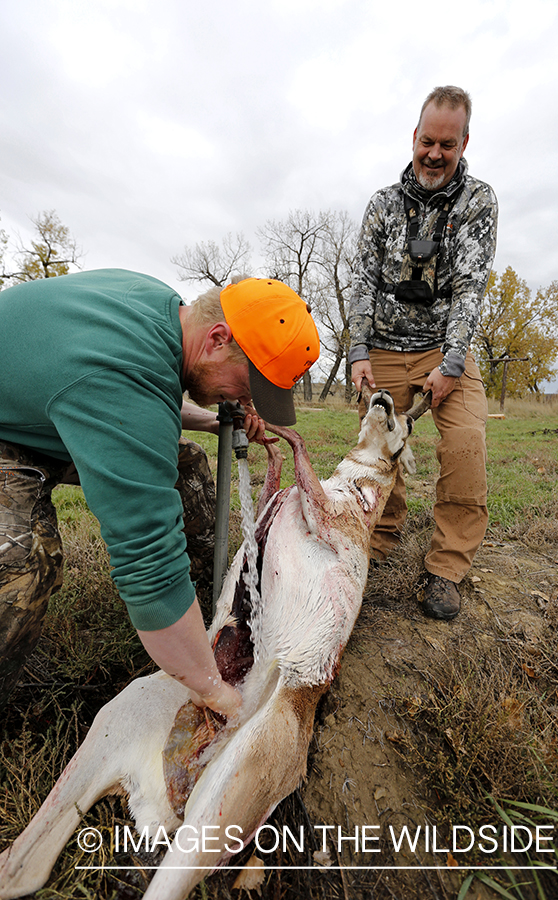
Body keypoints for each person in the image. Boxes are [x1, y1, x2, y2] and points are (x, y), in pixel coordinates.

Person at [0, 269, 319, 714]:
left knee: (184, 461)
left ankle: (208, 613)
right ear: (217, 339)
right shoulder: (121, 371)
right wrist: (211, 689)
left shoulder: (161, 309)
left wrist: (211, 419)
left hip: (36, 413)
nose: (247, 403)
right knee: (19, 560)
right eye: (247, 387)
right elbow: (146, 561)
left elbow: (142, 393)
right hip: (10, 435)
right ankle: (182, 639)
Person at [348, 85, 498, 621]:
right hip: (384, 347)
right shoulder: (382, 205)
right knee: (374, 450)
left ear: (463, 143)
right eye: (427, 142)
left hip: (444, 346)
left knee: (464, 444)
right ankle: (375, 542)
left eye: (448, 145)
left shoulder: (477, 202)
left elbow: (470, 288)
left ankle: (445, 568)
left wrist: (453, 362)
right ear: (414, 137)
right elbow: (363, 279)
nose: (435, 154)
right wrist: (358, 350)